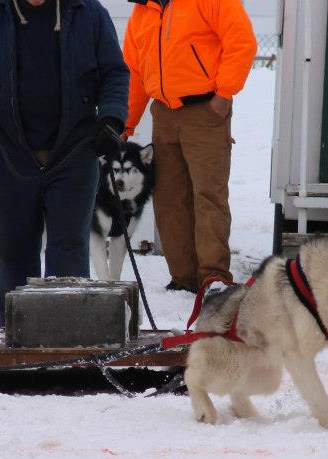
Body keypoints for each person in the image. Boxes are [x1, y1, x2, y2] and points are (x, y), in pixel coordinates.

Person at [0, 0, 129, 325]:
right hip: (6, 154)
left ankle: (66, 336)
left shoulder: (88, 12)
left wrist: (112, 119)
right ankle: (16, 336)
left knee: (69, 250)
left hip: (74, 152)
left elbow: (114, 73)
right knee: (13, 252)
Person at [122, 0, 257, 293]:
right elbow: (134, 70)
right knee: (169, 198)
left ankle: (213, 276)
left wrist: (223, 95)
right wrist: (125, 124)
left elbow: (241, 42)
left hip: (206, 111)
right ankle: (183, 278)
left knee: (208, 195)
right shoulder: (142, 11)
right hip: (163, 114)